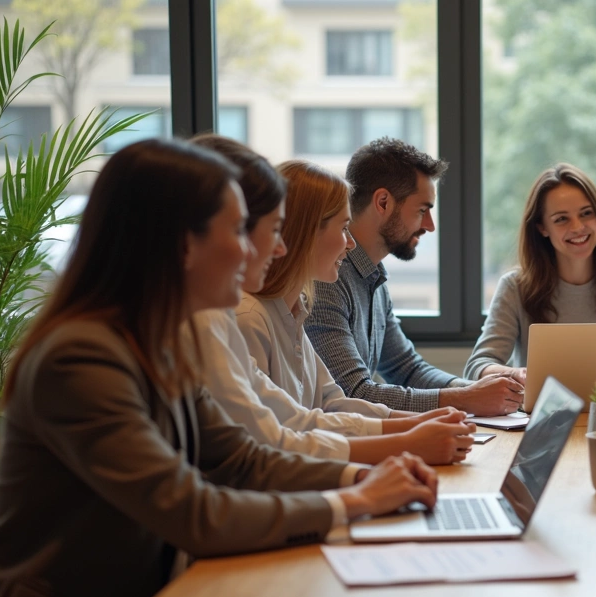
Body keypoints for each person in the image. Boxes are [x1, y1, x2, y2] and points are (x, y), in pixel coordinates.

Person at [0, 139, 438, 597]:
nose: (262, 249)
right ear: (184, 243)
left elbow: (244, 458)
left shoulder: (157, 341)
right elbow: (192, 511)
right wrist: (355, 502)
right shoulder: (80, 359)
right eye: (237, 231)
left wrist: (362, 480)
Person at [188, 135, 470, 465]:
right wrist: (406, 441)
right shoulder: (247, 316)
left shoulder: (300, 306)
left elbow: (325, 404)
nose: (350, 244)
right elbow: (276, 441)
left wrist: (420, 423)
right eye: (343, 228)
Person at [306, 137, 523, 416]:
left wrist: (478, 390)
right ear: (383, 202)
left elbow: (406, 369)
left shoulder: (372, 278)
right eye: (422, 210)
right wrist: (466, 397)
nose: (430, 226)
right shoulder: (326, 278)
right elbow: (352, 394)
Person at [465, 163, 596, 384]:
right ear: (542, 228)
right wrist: (515, 374)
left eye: (586, 214)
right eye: (561, 219)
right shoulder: (515, 287)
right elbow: (477, 366)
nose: (577, 227)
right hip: (542, 418)